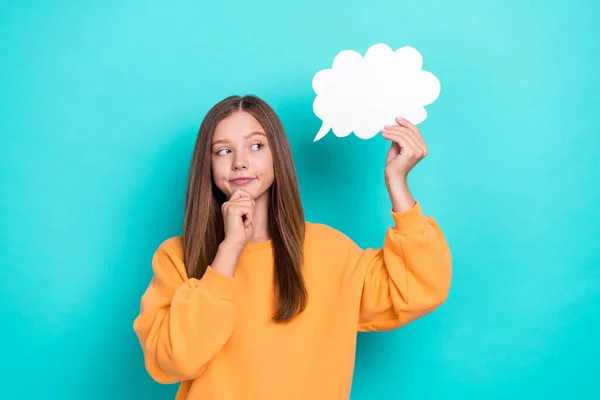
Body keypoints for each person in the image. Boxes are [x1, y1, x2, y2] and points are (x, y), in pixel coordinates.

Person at [132, 94, 452, 400]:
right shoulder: (176, 257)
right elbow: (177, 359)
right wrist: (229, 250)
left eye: (256, 145)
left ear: (277, 156)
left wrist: (397, 182)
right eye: (223, 151)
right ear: (208, 164)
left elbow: (419, 289)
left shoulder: (329, 250)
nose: (240, 163)